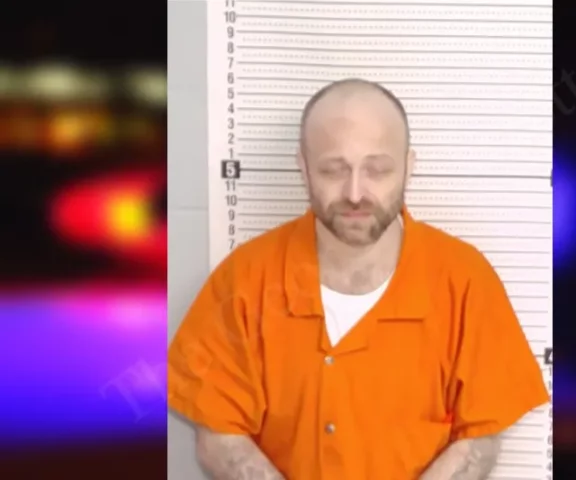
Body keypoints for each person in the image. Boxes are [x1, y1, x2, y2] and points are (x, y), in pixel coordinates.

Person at [167, 78, 549, 479]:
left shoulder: (465, 279)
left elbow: (481, 438)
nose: (354, 193)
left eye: (377, 170)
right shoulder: (245, 280)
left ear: (409, 167)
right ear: (303, 168)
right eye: (333, 170)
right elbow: (219, 435)